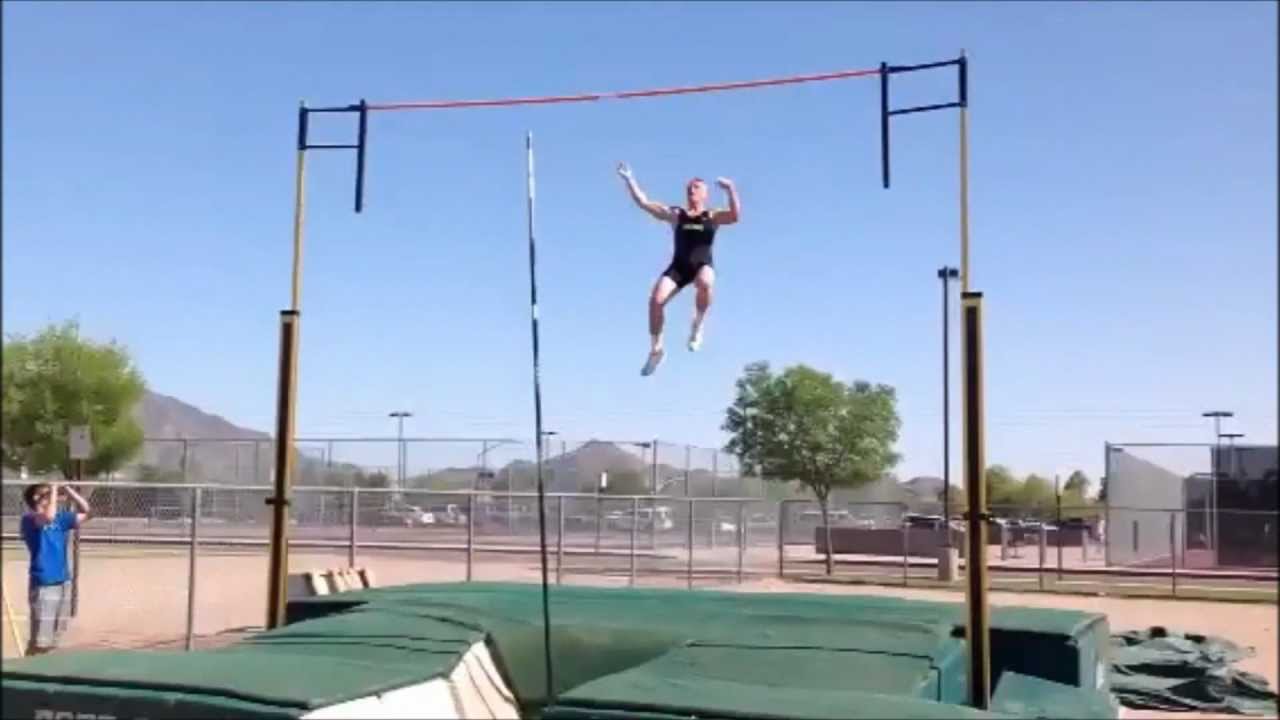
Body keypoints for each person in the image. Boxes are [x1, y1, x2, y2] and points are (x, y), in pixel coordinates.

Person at [618, 162, 740, 376]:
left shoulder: (712, 216)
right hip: (679, 267)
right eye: (689, 188)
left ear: (704, 194)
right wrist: (629, 180)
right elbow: (644, 203)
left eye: (696, 187)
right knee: (655, 302)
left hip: (702, 265)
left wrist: (730, 189)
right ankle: (656, 350)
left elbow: (735, 216)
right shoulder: (677, 214)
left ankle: (697, 327)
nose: (691, 190)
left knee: (706, 281)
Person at [20, 481, 91, 655]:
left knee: (56, 634)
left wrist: (68, 489)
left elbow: (88, 512)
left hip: (62, 580)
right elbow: (48, 518)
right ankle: (31, 665)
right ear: (36, 498)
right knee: (41, 638)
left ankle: (46, 665)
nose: (54, 496)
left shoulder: (61, 518)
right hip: (44, 581)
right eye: (46, 494)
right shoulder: (29, 519)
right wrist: (52, 489)